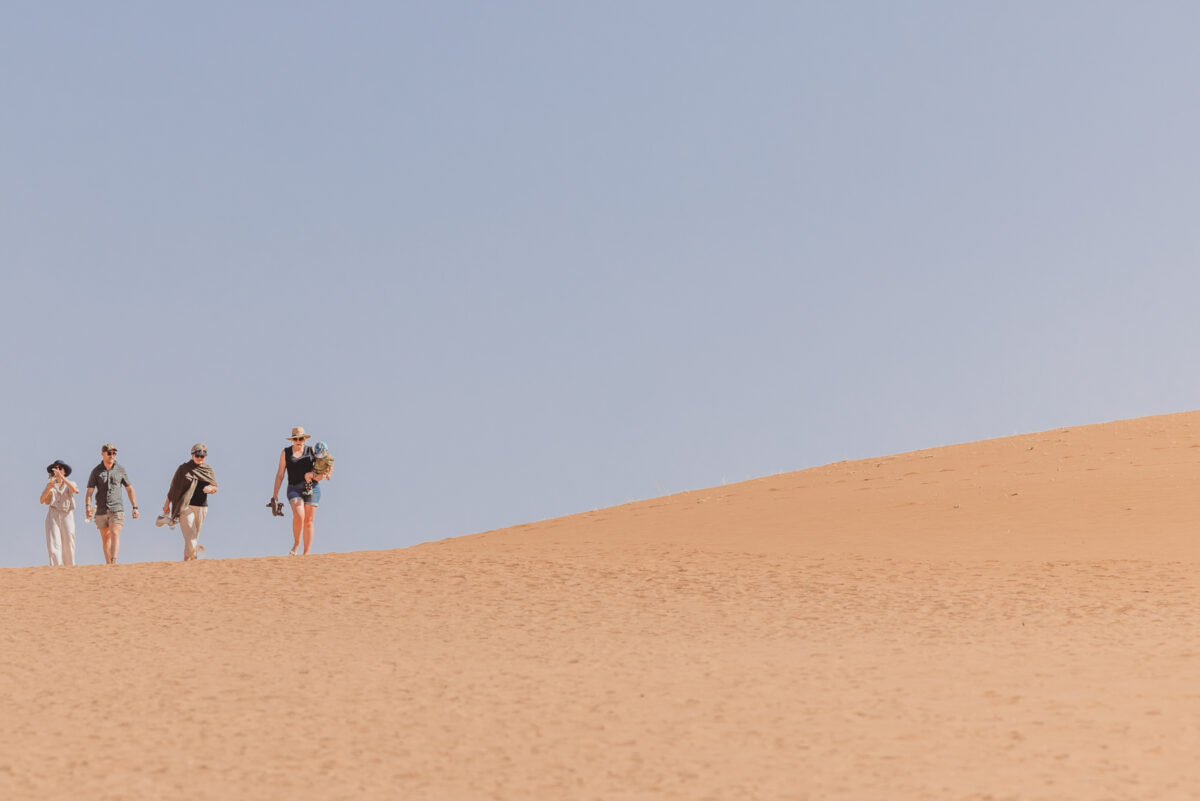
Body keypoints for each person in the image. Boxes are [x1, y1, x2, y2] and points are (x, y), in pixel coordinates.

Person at [272, 426, 331, 555]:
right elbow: (280, 474)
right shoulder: (286, 453)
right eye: (296, 439)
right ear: (292, 440)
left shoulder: (312, 451)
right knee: (299, 515)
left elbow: (324, 465)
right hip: (294, 488)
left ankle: (306, 554)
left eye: (301, 438)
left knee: (309, 520)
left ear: (304, 439)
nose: (299, 441)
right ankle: (296, 544)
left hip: (312, 488)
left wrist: (320, 475)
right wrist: (275, 494)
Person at [161, 443, 218, 561]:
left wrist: (210, 489)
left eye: (202, 456)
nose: (199, 458)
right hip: (186, 506)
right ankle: (195, 557)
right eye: (197, 455)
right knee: (190, 534)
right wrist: (167, 504)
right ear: (192, 455)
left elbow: (215, 487)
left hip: (202, 507)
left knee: (193, 536)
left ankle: (187, 561)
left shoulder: (208, 470)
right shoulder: (183, 469)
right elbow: (174, 487)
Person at [85, 443, 138, 565]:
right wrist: (88, 507)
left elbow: (129, 489)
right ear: (103, 454)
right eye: (109, 453)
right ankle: (109, 564)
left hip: (117, 508)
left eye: (114, 453)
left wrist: (135, 507)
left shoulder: (120, 470)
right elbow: (89, 492)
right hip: (101, 509)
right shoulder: (96, 471)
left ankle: (114, 561)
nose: (112, 455)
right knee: (105, 538)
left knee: (114, 532)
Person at [39, 459, 78, 566]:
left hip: (67, 515)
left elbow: (75, 490)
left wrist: (62, 478)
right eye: (55, 468)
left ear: (64, 471)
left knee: (69, 543)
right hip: (53, 514)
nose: (57, 470)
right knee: (53, 543)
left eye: (59, 468)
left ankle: (70, 568)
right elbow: (42, 500)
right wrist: (48, 488)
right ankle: (56, 569)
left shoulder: (71, 483)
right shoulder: (50, 484)